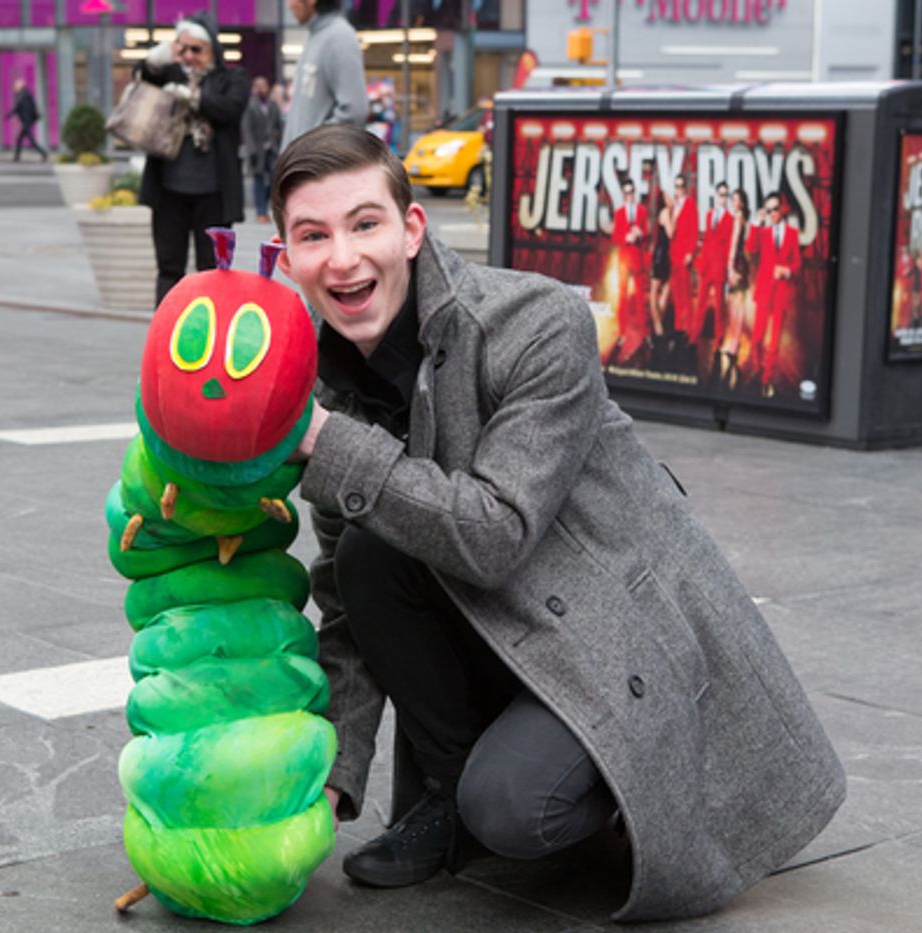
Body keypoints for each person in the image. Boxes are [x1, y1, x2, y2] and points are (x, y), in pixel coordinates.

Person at [271, 124, 845, 922]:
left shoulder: (535, 321)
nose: (342, 258)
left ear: (411, 229)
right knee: (366, 557)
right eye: (313, 236)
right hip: (504, 619)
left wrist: (329, 443)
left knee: (513, 808)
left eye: (365, 223)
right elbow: (345, 601)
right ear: (286, 257)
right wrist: (334, 769)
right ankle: (452, 794)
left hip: (615, 630)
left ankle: (617, 783)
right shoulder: (327, 386)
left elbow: (495, 530)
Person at [135, 15, 249, 304]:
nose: (188, 56)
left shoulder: (231, 78)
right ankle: (165, 326)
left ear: (212, 50)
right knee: (168, 267)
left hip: (214, 192)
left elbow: (229, 109)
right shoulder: (171, 74)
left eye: (196, 49)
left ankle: (210, 326)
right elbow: (144, 76)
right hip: (168, 189)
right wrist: (155, 59)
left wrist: (190, 96)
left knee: (212, 271)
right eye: (182, 49)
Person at [282, 0, 369, 147]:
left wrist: (311, 150)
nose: (289, 5)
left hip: (310, 159)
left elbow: (354, 112)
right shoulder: (316, 36)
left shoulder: (340, 37)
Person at [748, 193, 802, 398]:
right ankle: (757, 369)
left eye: (775, 209)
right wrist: (756, 223)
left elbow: (797, 265)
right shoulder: (762, 232)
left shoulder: (792, 234)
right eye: (768, 210)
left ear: (782, 209)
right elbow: (750, 248)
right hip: (764, 291)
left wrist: (786, 271)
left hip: (781, 293)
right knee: (757, 337)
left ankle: (767, 378)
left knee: (774, 342)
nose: (772, 213)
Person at [609, 178, 650, 364]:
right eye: (626, 193)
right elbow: (615, 236)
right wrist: (626, 237)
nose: (629, 195)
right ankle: (622, 332)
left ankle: (645, 335)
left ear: (634, 193)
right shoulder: (619, 213)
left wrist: (640, 234)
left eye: (631, 192)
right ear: (623, 195)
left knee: (641, 298)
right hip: (625, 260)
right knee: (623, 297)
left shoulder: (642, 211)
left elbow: (647, 233)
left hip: (638, 260)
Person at [716, 189, 752, 390]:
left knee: (734, 308)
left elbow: (733, 243)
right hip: (742, 265)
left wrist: (729, 267)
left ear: (741, 202)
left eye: (735, 199)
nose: (733, 202)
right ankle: (733, 346)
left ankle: (731, 347)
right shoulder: (744, 216)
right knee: (737, 307)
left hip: (737, 264)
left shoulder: (738, 217)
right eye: (732, 199)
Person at [241, 75, 283, 224]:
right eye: (258, 86)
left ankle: (266, 207)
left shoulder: (272, 104)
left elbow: (279, 125)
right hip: (257, 150)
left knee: (273, 180)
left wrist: (277, 140)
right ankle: (261, 212)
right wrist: (251, 149)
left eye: (264, 86)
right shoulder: (250, 106)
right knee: (258, 180)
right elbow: (247, 129)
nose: (261, 89)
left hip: (272, 148)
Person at [697, 182, 733, 347]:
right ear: (716, 195)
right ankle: (695, 335)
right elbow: (706, 241)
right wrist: (702, 263)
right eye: (720, 194)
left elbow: (728, 246)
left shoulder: (730, 219)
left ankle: (719, 338)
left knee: (719, 306)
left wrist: (726, 269)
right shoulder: (709, 214)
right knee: (701, 303)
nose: (722, 198)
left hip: (719, 266)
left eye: (725, 195)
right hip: (707, 265)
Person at [667, 172, 699, 344]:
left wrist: (690, 252)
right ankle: (679, 327)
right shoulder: (674, 206)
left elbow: (694, 230)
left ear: (685, 188)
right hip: (674, 254)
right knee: (677, 293)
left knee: (686, 294)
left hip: (684, 255)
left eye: (681, 186)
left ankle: (689, 331)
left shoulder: (690, 204)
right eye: (676, 186)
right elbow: (671, 231)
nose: (678, 190)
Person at [648, 186, 672, 337]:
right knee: (655, 290)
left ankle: (658, 326)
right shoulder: (665, 212)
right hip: (662, 254)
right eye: (668, 197)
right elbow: (671, 233)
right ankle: (657, 327)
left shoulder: (666, 212)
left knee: (665, 290)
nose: (671, 199)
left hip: (666, 253)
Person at [6, 79, 45, 162]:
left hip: (27, 121)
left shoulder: (23, 95)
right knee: (20, 139)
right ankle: (17, 157)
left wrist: (9, 114)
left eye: (16, 85)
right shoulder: (25, 94)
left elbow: (17, 107)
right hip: (27, 120)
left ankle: (43, 153)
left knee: (30, 140)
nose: (14, 87)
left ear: (21, 86)